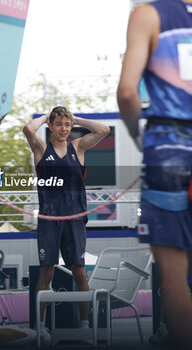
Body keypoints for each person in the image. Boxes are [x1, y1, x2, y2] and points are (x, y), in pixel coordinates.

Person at [117, 1, 192, 349]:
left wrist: (138, 136)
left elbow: (128, 92)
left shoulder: (148, 14)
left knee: (174, 277)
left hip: (168, 149)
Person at [23, 106, 109, 344]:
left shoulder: (78, 147)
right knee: (47, 270)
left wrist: (75, 118)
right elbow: (28, 129)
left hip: (75, 218)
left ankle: (84, 326)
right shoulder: (41, 148)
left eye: (67, 124)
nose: (63, 129)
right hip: (50, 219)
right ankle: (41, 328)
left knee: (79, 270)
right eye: (58, 124)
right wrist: (45, 117)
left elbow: (104, 129)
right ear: (51, 126)